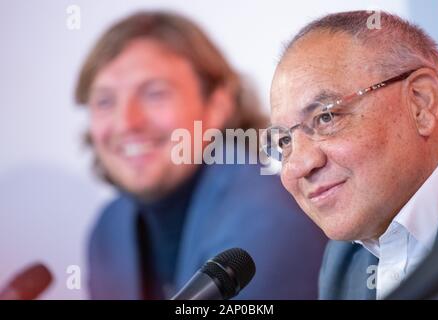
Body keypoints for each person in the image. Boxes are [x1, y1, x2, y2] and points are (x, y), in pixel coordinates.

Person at [75, 11, 327, 299]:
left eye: (154, 94)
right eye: (105, 101)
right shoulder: (110, 227)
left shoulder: (267, 217)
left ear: (217, 106)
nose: (126, 123)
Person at [263, 10, 438, 299]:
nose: (297, 166)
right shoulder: (342, 263)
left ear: (421, 104)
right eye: (284, 140)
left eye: (326, 117)